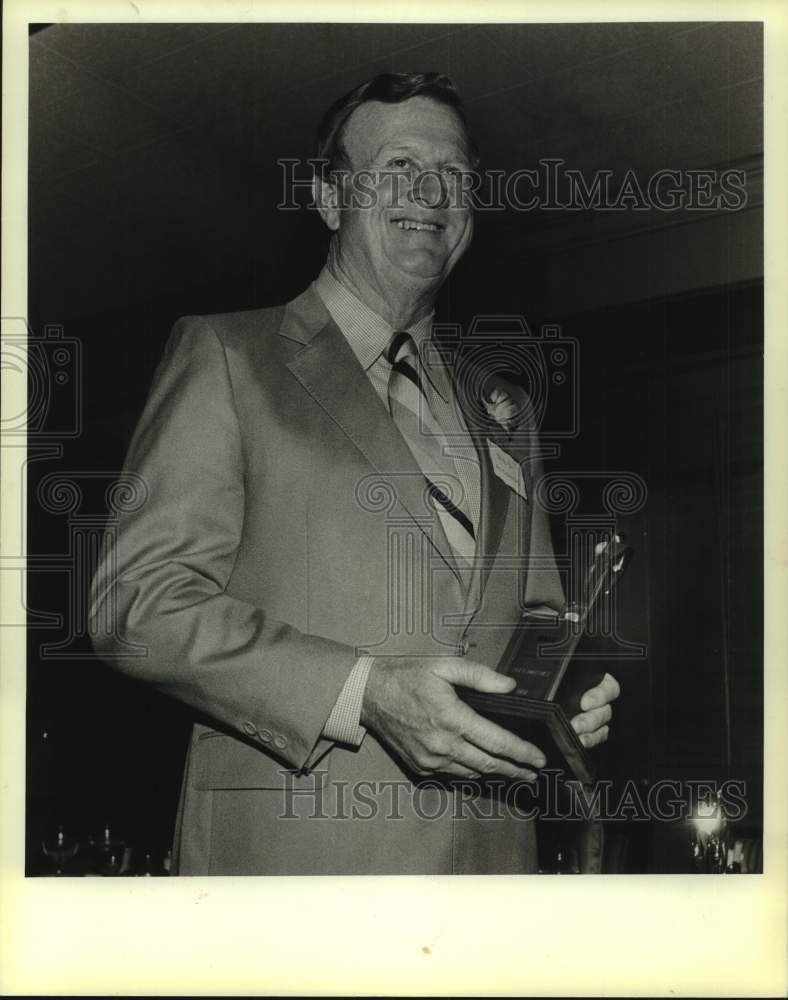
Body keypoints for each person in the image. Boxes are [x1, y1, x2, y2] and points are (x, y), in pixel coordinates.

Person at [89, 72, 619, 875]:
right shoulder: (228, 356)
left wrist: (557, 701)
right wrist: (363, 690)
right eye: (400, 166)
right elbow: (138, 604)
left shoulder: (504, 408)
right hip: (297, 864)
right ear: (330, 199)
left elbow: (538, 623)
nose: (433, 192)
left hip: (487, 872)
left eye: (455, 175)